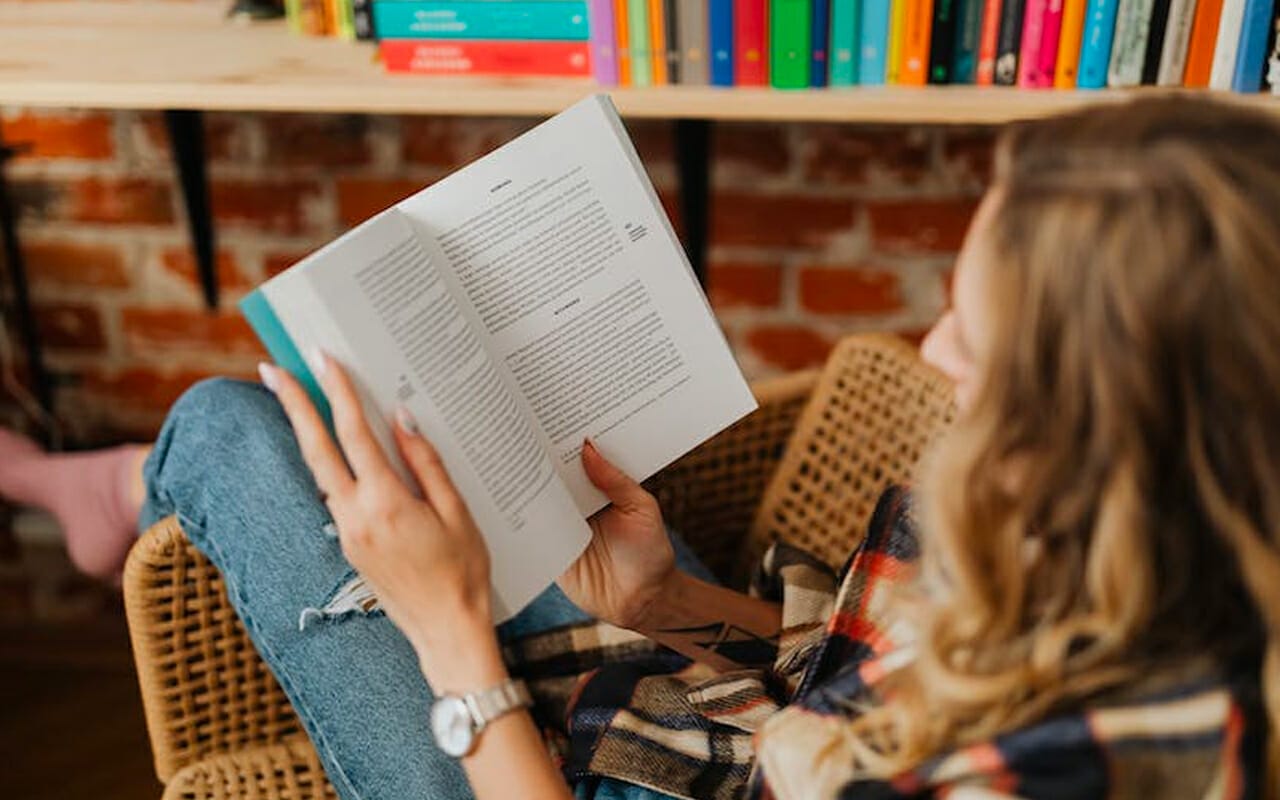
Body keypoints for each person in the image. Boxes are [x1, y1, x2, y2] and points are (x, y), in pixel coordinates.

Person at [2, 95, 1278, 799]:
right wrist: (663, 597)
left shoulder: (1064, 769)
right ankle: (108, 486)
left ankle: (102, 485)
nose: (929, 353)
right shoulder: (1081, 527)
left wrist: (452, 636)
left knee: (232, 427)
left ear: (1116, 417)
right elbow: (839, 691)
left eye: (977, 342)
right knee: (403, 446)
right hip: (694, 719)